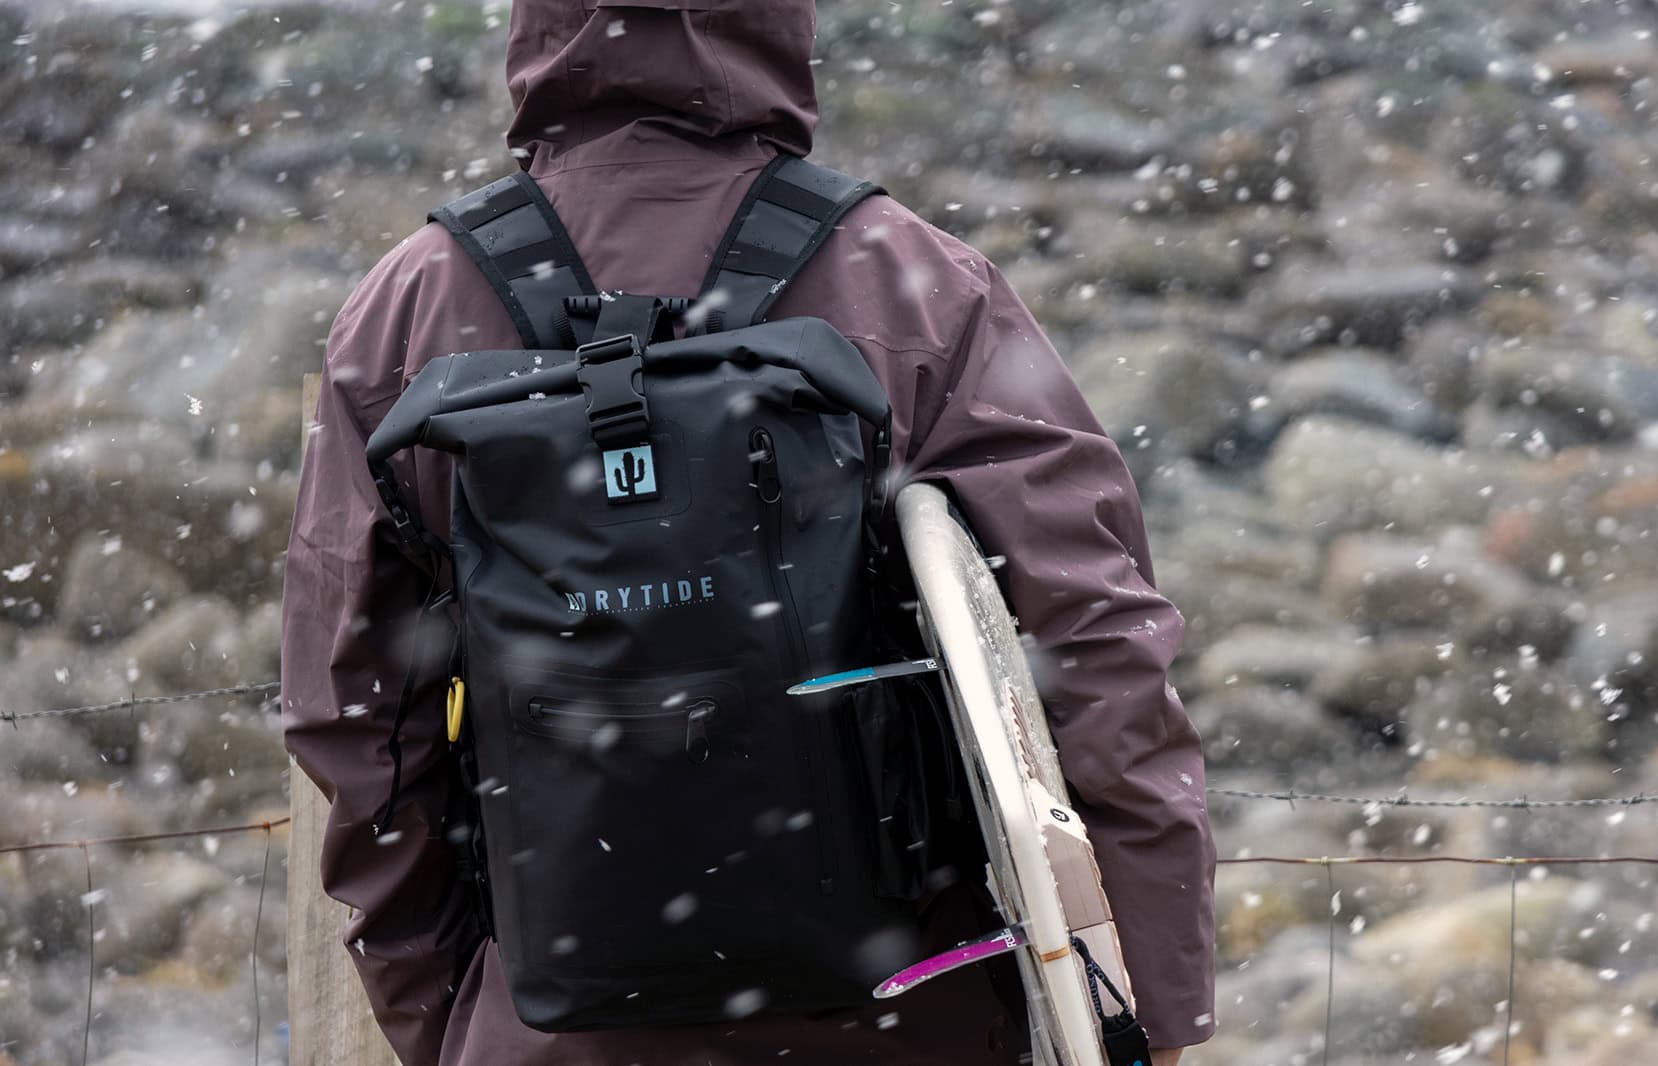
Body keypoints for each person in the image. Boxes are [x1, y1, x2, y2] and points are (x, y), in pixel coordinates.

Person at [280, 1, 1215, 1063]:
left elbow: (357, 722)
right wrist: (1146, 1012)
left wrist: (449, 1014)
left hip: (552, 1021)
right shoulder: (908, 279)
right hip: (907, 1017)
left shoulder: (409, 305)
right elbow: (1095, 652)